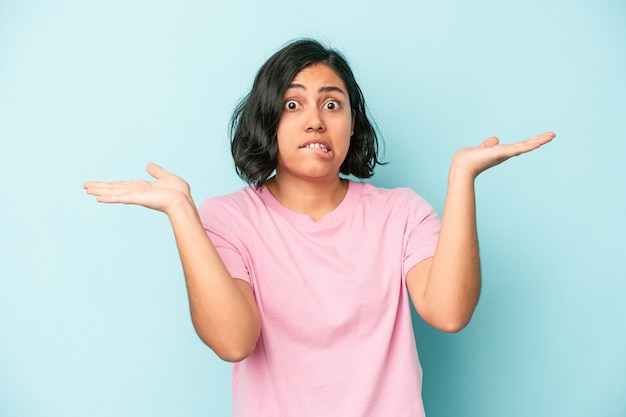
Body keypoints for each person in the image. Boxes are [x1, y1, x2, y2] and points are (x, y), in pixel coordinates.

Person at [83, 38, 554, 417]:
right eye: (292, 105)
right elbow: (233, 340)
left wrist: (462, 177)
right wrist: (182, 214)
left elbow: (449, 313)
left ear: (353, 126)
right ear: (267, 120)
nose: (314, 120)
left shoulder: (401, 212)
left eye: (333, 105)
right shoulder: (228, 218)